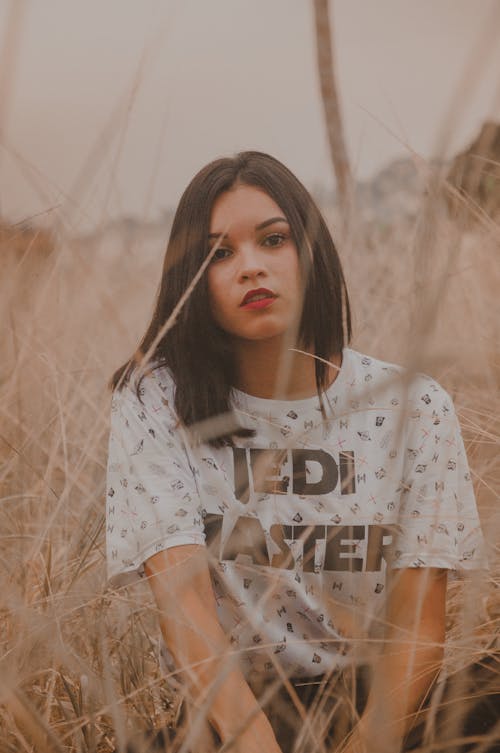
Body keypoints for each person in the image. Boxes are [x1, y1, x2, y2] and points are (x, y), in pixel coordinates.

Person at [106, 151, 487, 753]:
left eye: (273, 239)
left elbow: (418, 629)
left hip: (377, 703)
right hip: (232, 708)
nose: (250, 268)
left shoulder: (414, 404)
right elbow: (185, 615)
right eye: (218, 254)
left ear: (311, 253)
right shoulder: (156, 401)